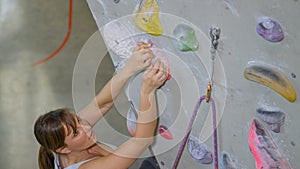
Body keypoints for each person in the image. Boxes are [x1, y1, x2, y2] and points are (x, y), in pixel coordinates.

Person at [34, 42, 168, 169]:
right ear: (63, 149)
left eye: (78, 120)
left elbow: (102, 104)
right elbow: (142, 140)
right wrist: (147, 91)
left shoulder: (66, 135)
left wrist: (130, 67)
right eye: (76, 133)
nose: (86, 126)